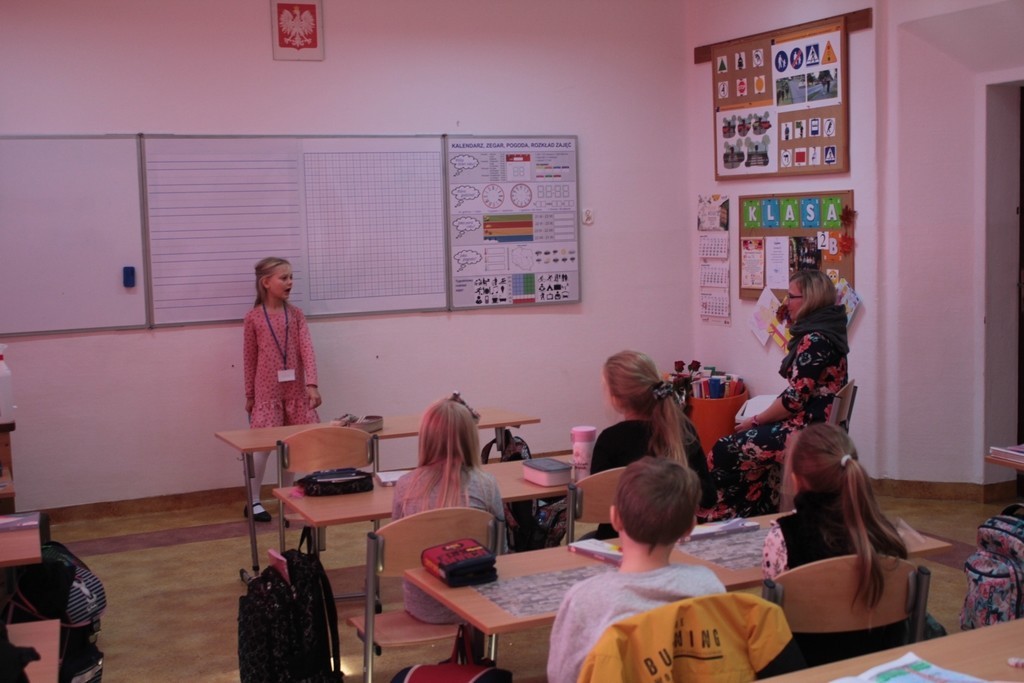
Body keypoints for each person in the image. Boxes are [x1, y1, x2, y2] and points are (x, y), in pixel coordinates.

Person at [547, 457, 725, 683]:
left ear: (615, 518)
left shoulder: (584, 599)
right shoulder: (709, 586)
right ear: (689, 528)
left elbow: (562, 676)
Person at [703, 270, 848, 521]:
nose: (786, 302)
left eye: (791, 296)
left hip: (809, 431)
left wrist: (756, 420)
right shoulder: (828, 330)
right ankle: (756, 514)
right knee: (751, 449)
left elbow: (793, 400)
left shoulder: (815, 339)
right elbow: (799, 391)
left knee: (724, 449)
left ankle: (721, 517)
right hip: (817, 425)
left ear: (809, 299)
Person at [762, 422, 909, 664]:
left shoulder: (782, 538)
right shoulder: (885, 535)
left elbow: (773, 620)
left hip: (806, 667)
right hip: (878, 667)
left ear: (796, 479)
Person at [391, 395, 504, 623]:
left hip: (423, 606)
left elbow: (397, 549)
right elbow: (501, 549)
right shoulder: (487, 485)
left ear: (425, 437)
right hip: (480, 604)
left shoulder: (405, 486)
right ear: (471, 437)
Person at [590, 350, 715, 538]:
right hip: (675, 538)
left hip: (619, 541)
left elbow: (596, 504)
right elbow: (709, 496)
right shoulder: (684, 431)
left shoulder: (609, 440)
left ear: (616, 398)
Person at [242, 257, 321, 522]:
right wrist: (250, 395)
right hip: (267, 393)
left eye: (291, 277)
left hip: (295, 391)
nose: (290, 282)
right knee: (262, 448)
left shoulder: (296, 315)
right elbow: (249, 358)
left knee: (293, 446)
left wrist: (312, 384)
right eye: (284, 278)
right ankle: (253, 500)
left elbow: (307, 350)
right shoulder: (253, 318)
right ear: (266, 282)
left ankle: (288, 498)